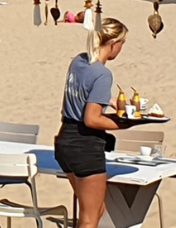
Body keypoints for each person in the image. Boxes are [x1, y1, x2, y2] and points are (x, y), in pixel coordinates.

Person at [55, 18, 130, 228]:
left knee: (96, 209)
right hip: (84, 146)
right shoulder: (102, 73)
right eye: (122, 43)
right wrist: (125, 124)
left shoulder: (78, 61)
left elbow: (82, 93)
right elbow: (92, 118)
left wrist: (110, 101)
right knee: (89, 218)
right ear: (114, 43)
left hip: (65, 140)